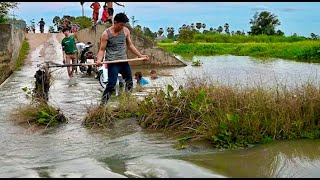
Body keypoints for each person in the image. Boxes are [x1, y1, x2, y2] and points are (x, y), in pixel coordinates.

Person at [96, 12, 149, 105]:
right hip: (113, 62)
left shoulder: (125, 31)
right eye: (121, 25)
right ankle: (102, 105)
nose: (122, 27)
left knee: (129, 82)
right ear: (115, 22)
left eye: (124, 25)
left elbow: (130, 45)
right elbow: (102, 49)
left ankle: (126, 103)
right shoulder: (106, 34)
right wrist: (99, 60)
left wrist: (140, 56)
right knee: (111, 84)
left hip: (123, 61)